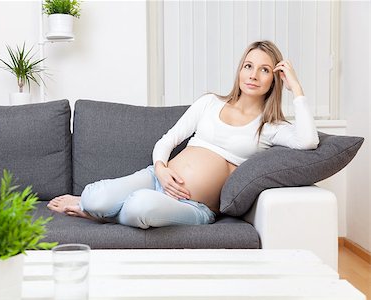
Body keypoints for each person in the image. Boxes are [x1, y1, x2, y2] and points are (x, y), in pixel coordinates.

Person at [47, 40, 319, 229]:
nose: (253, 75)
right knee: (94, 197)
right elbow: (168, 140)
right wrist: (161, 169)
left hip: (194, 205)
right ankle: (93, 207)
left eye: (265, 70)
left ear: (275, 79)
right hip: (156, 179)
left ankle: (103, 215)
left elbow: (308, 141)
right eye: (248, 66)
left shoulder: (269, 127)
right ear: (239, 69)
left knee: (138, 207)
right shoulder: (209, 103)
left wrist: (296, 88)